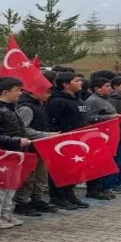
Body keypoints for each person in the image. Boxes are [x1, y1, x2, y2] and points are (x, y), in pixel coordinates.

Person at [0, 78, 41, 228]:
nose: (20, 93)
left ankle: (5, 213)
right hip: (1, 154)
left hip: (15, 153)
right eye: (17, 90)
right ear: (5, 92)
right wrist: (15, 140)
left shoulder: (11, 109)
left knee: (11, 185)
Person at [44, 73, 90, 210]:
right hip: (62, 141)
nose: (81, 82)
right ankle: (57, 197)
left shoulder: (78, 99)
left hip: (78, 140)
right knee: (60, 170)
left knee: (72, 170)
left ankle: (69, 194)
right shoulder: (56, 101)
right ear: (65, 84)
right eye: (76, 81)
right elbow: (53, 123)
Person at [14, 88, 57, 214]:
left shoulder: (39, 105)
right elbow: (23, 129)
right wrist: (46, 134)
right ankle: (22, 202)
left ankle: (37, 199)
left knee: (40, 176)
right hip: (30, 147)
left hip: (41, 147)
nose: (49, 95)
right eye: (46, 92)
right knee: (29, 177)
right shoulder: (26, 108)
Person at [82, 78, 119, 200]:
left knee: (103, 163)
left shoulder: (105, 99)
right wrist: (109, 117)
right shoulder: (92, 101)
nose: (110, 88)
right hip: (95, 136)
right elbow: (89, 117)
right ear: (97, 88)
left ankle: (102, 188)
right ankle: (94, 190)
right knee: (95, 165)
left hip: (105, 137)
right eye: (107, 86)